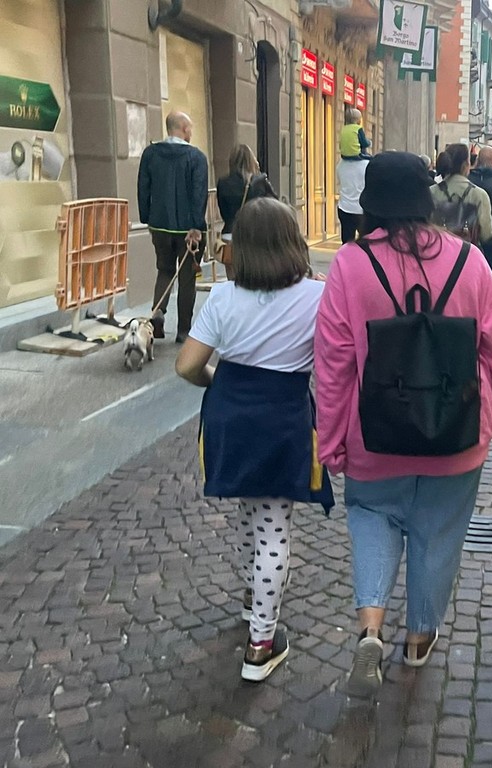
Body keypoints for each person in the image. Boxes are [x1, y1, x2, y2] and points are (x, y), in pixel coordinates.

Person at [314, 152, 492, 697]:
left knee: (371, 518)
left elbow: (333, 365)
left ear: (371, 206)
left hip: (374, 432)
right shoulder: (470, 261)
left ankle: (370, 626)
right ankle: (417, 638)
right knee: (438, 535)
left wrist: (330, 440)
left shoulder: (349, 265)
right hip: (457, 432)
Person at [175, 197, 334, 682]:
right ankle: (261, 643)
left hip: (231, 414)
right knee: (273, 525)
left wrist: (217, 382)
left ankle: (252, 599)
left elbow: (186, 365)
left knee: (249, 509)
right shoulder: (317, 296)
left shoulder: (223, 298)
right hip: (283, 416)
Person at [138, 111, 208, 342]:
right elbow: (199, 194)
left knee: (165, 270)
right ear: (185, 129)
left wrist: (147, 217)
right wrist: (196, 226)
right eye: (190, 128)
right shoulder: (196, 158)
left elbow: (143, 188)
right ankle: (183, 330)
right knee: (187, 279)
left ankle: (158, 312)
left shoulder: (150, 154)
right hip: (188, 230)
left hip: (160, 225)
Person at [216, 144, 276, 279]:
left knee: (232, 280)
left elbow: (223, 211)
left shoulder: (223, 183)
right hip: (255, 235)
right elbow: (274, 209)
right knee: (254, 278)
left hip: (230, 234)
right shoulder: (260, 182)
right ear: (251, 160)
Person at [430, 143, 492, 247]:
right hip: (468, 252)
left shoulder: (431, 192)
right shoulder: (479, 195)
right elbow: (486, 234)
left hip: (438, 249)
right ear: (465, 165)